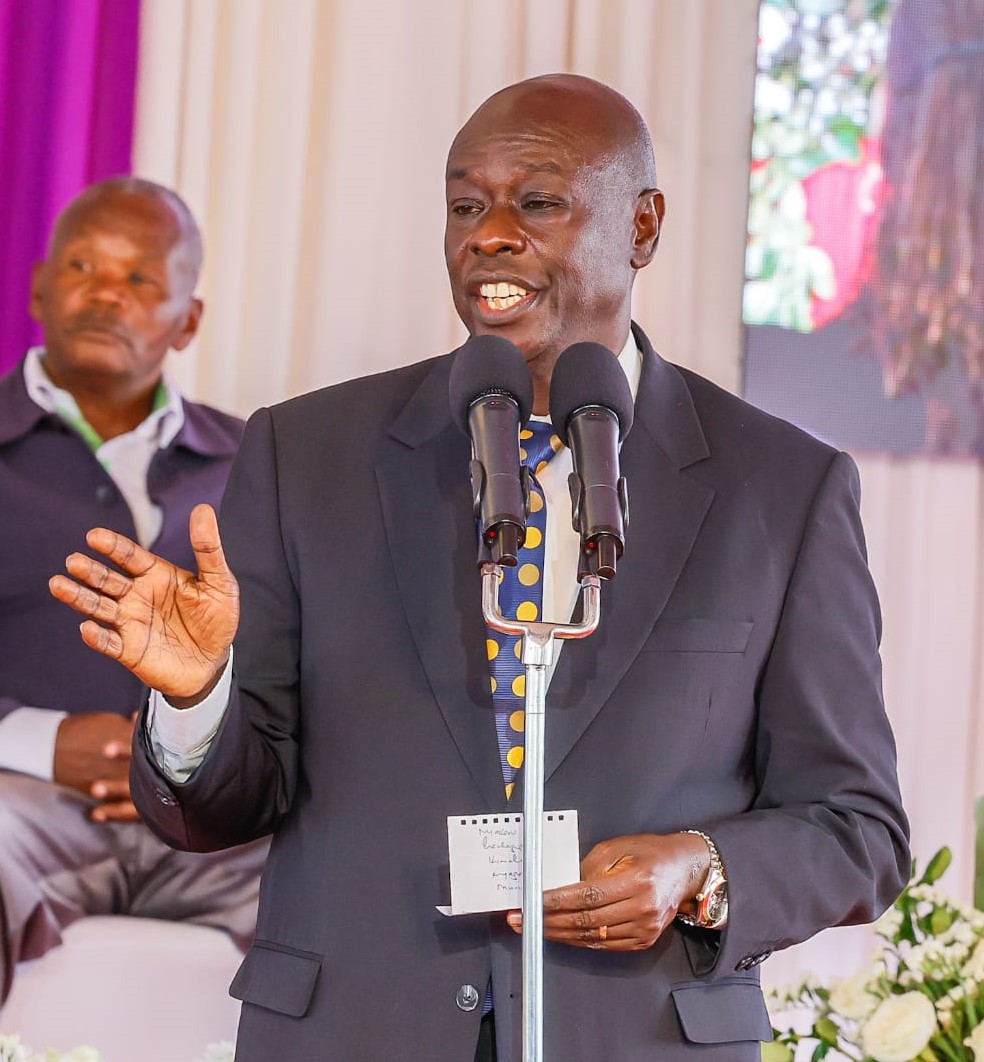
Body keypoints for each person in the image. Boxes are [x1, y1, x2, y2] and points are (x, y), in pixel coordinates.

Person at [50, 78, 909, 1061]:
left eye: (536, 202)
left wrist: (700, 867)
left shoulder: (784, 487)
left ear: (644, 225)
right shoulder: (308, 453)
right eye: (465, 205)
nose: (489, 234)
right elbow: (231, 804)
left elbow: (858, 828)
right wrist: (199, 698)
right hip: (354, 1033)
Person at [0, 178, 268, 1006]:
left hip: (212, 822)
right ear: (41, 287)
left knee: (372, 875)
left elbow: (311, 669)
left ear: (189, 318)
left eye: (143, 278)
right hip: (22, 808)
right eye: (82, 265)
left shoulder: (263, 463)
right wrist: (39, 744)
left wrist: (189, 758)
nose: (107, 290)